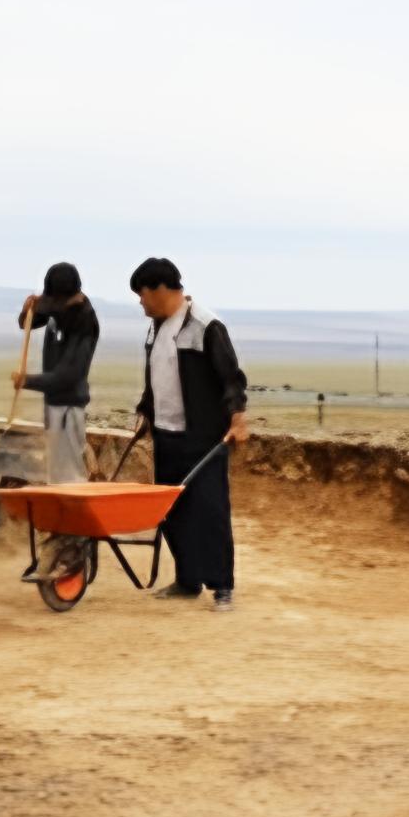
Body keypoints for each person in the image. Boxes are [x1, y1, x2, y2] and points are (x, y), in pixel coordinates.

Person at [130, 258, 250, 611]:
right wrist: (145, 413)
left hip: (204, 437)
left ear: (160, 290)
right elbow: (154, 380)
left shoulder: (206, 326)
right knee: (171, 512)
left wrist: (237, 418)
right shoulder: (154, 329)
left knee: (210, 511)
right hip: (167, 435)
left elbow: (232, 378)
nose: (140, 302)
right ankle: (187, 579)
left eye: (142, 294)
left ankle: (222, 586)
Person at [11, 262, 100, 574]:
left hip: (69, 408)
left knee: (68, 482)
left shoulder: (85, 320)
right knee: (56, 480)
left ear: (72, 296)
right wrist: (27, 311)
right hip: (53, 407)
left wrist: (28, 380)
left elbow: (70, 375)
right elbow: (27, 325)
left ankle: (74, 550)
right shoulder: (58, 309)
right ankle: (61, 545)